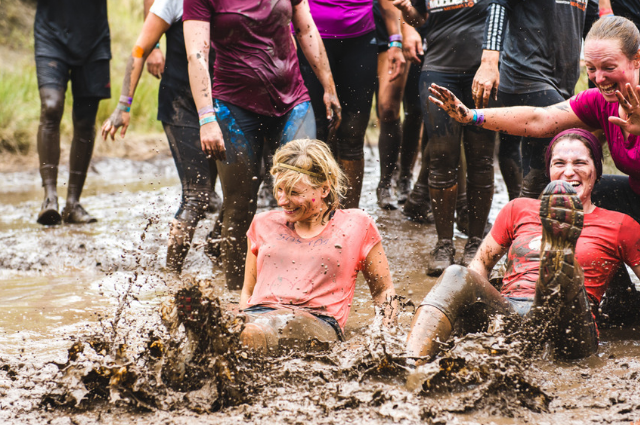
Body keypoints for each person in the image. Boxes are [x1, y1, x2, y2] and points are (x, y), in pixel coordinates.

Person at [405, 129, 640, 363]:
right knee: (457, 274)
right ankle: (411, 361)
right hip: (511, 314)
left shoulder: (620, 225)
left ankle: (559, 261)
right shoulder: (518, 209)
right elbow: (481, 264)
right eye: (559, 163)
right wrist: (469, 306)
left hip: (572, 326)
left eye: (580, 162)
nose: (569, 172)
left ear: (596, 170)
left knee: (564, 277)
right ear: (548, 171)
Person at [178, 139, 397, 352]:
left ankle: (231, 338)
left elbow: (383, 290)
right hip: (257, 315)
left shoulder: (356, 224)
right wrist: (241, 316)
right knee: (223, 316)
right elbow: (248, 290)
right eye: (279, 189)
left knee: (278, 322)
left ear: (324, 189)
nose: (282, 200)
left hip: (317, 321)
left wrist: (385, 338)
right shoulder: (262, 223)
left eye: (294, 192)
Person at [183, 0, 341, 290]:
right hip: (233, 105)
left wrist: (328, 87)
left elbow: (306, 29)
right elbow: (197, 55)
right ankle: (238, 296)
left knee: (307, 189)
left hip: (293, 98)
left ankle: (304, 288)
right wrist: (207, 117)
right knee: (240, 203)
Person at [429, 16, 640, 225]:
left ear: (637, 59)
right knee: (569, 195)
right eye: (592, 68)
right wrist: (470, 115)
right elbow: (540, 119)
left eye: (609, 68)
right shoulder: (599, 101)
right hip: (634, 196)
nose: (599, 79)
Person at [100, 0, 222, 274]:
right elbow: (139, 49)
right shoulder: (172, 2)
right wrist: (123, 105)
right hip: (181, 105)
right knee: (197, 196)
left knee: (246, 184)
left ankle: (217, 243)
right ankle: (171, 276)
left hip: (227, 102)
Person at [394, 0, 496, 275]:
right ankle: (444, 244)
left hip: (483, 71)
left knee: (481, 158)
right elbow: (421, 19)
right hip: (438, 69)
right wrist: (406, 11)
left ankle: (475, 242)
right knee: (441, 156)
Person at [472, 0, 586, 199]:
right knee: (560, 139)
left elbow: (593, 26)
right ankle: (524, 212)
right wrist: (489, 61)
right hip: (524, 71)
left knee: (521, 146)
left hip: (564, 77)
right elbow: (499, 4)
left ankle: (518, 209)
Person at [298, 0, 406, 209]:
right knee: (316, 132)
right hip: (310, 36)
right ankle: (315, 213)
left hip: (360, 40)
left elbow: (387, 3)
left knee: (353, 133)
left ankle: (349, 219)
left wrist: (395, 41)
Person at [34, 0, 111, 225]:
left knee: (86, 120)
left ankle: (73, 203)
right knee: (51, 106)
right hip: (50, 33)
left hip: (94, 37)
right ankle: (49, 197)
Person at [373, 2, 422, 210]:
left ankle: (405, 178)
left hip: (427, 23)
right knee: (388, 108)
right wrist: (397, 38)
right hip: (389, 27)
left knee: (417, 109)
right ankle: (385, 183)